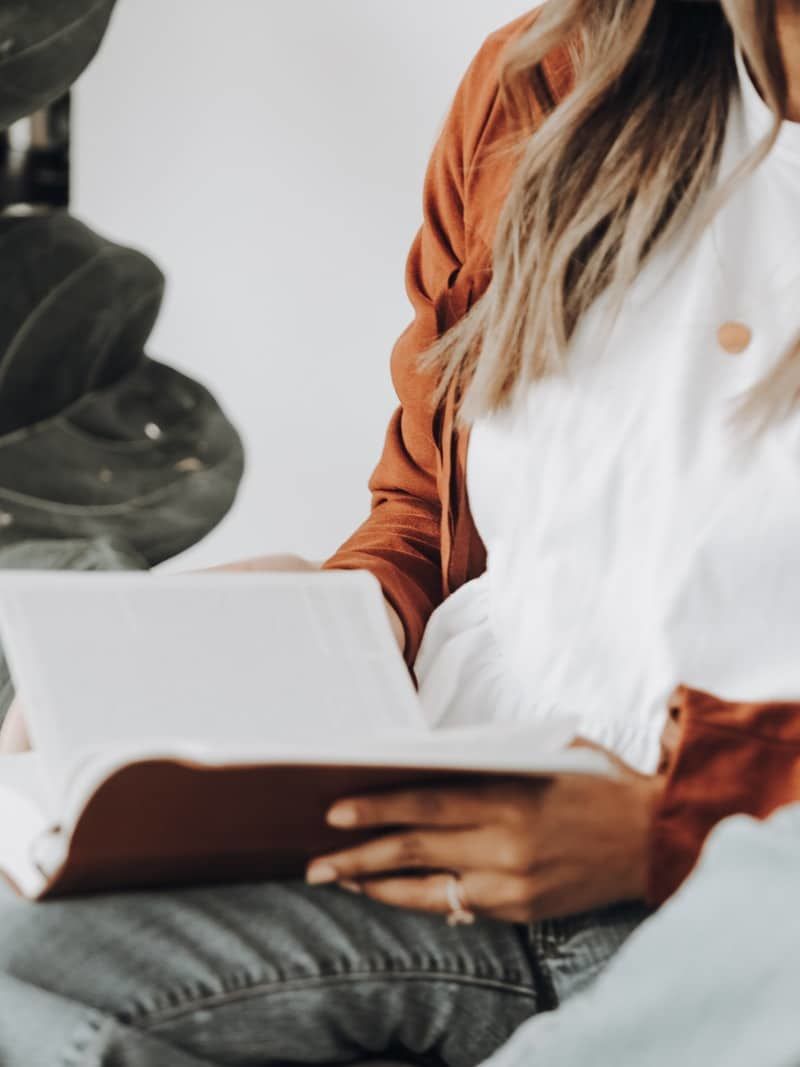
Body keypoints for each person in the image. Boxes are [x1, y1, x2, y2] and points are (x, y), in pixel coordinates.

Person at [2, 1, 800, 1063]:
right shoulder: (544, 79)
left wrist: (668, 826)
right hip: (443, 833)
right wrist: (323, 622)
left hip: (744, 909)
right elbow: (430, 510)